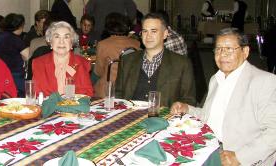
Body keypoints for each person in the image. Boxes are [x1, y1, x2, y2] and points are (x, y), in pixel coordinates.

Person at [171, 28, 276, 165]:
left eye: (229, 49)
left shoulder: (265, 81)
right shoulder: (216, 79)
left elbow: (273, 132)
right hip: (210, 147)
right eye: (218, 49)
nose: (222, 54)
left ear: (245, 52)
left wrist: (239, 157)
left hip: (243, 157)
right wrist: (187, 109)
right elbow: (211, 116)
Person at [115, 12, 196, 107]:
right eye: (145, 31)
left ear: (165, 34)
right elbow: (118, 94)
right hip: (129, 117)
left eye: (153, 31)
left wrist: (180, 107)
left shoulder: (182, 64)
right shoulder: (127, 60)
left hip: (164, 119)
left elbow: (189, 100)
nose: (148, 36)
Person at [32, 21, 93, 97]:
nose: (61, 42)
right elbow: (36, 94)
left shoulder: (82, 63)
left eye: (66, 37)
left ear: (71, 42)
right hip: (47, 108)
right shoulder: (39, 63)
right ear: (50, 41)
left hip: (73, 107)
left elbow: (87, 93)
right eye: (57, 36)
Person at [93, 12, 140, 98]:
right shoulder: (136, 43)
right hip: (130, 88)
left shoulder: (103, 44)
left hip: (108, 90)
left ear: (108, 27)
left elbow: (98, 71)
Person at [0, 13, 29, 97]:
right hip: (15, 74)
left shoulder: (0, 37)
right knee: (20, 96)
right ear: (19, 26)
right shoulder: (15, 39)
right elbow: (27, 55)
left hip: (0, 73)